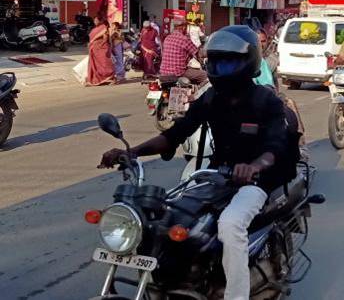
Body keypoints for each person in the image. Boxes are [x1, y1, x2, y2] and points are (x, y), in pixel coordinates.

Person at [97, 25, 299, 300]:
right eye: (216, 61)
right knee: (168, 217)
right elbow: (173, 135)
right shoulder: (212, 98)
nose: (221, 68)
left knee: (230, 225)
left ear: (247, 62)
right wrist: (132, 152)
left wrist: (254, 166)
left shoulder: (266, 101)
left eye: (228, 62)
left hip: (258, 180)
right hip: (217, 175)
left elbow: (276, 146)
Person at [160, 18, 207, 85]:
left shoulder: (167, 38)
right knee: (204, 75)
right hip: (178, 73)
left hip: (163, 72)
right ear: (184, 27)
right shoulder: (184, 39)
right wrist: (210, 53)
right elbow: (198, 53)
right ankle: (197, 94)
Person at [87, 17, 115, 86]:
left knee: (104, 64)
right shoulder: (94, 29)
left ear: (100, 21)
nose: (95, 21)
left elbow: (105, 38)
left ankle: (110, 78)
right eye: (94, 20)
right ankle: (97, 79)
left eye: (96, 20)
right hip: (94, 49)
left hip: (102, 49)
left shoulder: (103, 27)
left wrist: (100, 45)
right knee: (95, 65)